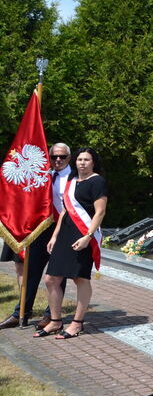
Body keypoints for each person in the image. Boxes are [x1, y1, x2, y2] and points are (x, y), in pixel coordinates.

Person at [36, 147, 108, 340]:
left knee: (80, 278)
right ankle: (56, 320)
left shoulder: (97, 181)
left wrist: (88, 236)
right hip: (66, 232)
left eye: (86, 159)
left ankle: (77, 323)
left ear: (93, 162)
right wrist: (54, 236)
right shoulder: (71, 180)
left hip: (84, 233)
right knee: (51, 279)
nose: (82, 162)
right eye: (79, 159)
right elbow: (66, 211)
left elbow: (100, 212)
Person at [0, 143, 71, 330]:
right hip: (42, 229)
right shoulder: (43, 174)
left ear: (69, 158)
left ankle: (51, 315)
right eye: (54, 156)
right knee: (31, 271)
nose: (58, 160)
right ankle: (21, 312)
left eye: (62, 157)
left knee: (57, 274)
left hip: (63, 230)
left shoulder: (74, 178)